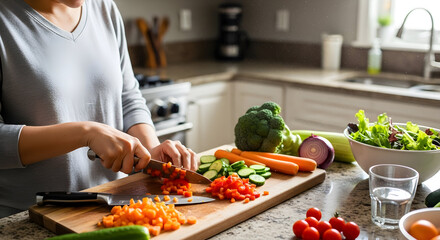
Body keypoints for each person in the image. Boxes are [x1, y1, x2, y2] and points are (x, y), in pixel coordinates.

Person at [0, 0, 197, 218]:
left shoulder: (104, 8)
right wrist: (85, 133)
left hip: (114, 207)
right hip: (30, 217)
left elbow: (128, 97)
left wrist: (152, 154)